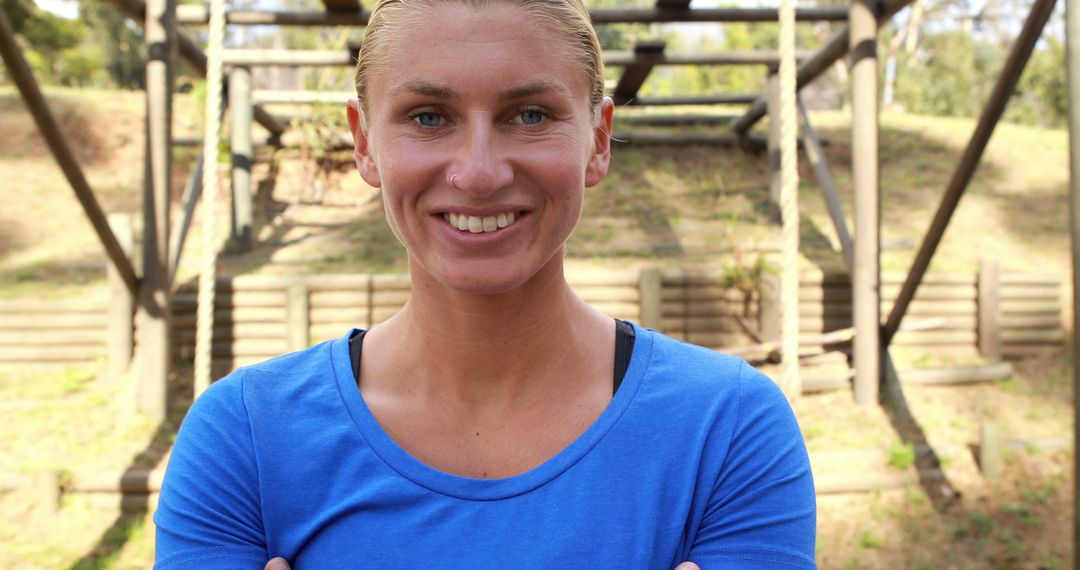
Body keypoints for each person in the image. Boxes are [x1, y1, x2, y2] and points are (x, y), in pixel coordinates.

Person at [153, 0, 816, 568]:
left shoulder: (727, 433)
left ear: (599, 139)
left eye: (529, 115)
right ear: (364, 144)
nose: (477, 172)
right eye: (428, 117)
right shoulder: (245, 439)